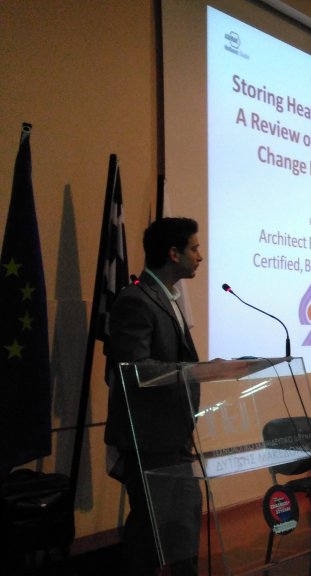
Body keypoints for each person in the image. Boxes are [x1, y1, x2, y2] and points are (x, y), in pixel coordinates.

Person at [103, 217, 203, 576]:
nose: (200, 256)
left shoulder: (168, 298)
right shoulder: (136, 300)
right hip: (148, 441)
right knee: (149, 537)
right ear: (173, 253)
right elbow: (133, 369)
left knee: (183, 530)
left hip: (173, 439)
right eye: (194, 248)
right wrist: (191, 371)